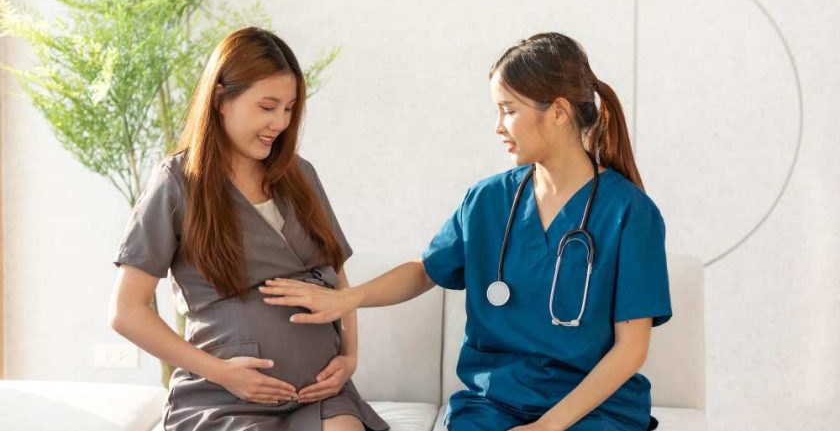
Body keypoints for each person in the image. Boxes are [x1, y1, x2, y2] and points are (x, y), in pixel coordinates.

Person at [259, 32, 672, 431]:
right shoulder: (487, 200)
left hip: (592, 411)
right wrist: (349, 298)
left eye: (509, 110)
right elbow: (426, 270)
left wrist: (547, 427)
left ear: (559, 111)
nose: (498, 126)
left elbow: (630, 349)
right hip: (493, 405)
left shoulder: (630, 214)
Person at [108, 26, 389, 431]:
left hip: (317, 396)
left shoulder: (300, 175)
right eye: (267, 106)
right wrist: (224, 374)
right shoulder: (177, 183)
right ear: (221, 99)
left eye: (289, 109)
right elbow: (126, 312)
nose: (279, 122)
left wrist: (349, 357)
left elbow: (335, 274)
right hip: (224, 397)